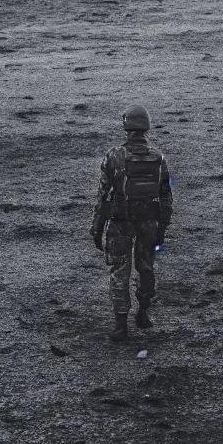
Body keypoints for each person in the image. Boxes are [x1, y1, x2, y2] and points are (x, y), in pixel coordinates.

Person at [91, 105, 173, 341]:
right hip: (149, 222)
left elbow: (103, 197)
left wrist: (97, 228)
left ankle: (120, 326)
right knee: (146, 268)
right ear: (146, 126)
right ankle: (144, 313)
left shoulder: (114, 156)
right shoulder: (158, 157)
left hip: (120, 223)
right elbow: (166, 195)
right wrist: (163, 228)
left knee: (120, 271)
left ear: (126, 126)